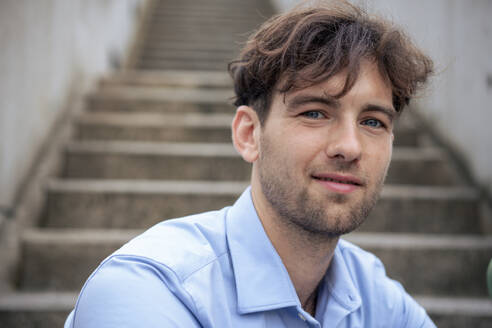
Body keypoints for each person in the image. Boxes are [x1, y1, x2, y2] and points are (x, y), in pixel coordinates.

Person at [65, 1, 435, 327]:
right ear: (248, 134)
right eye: (315, 113)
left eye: (373, 122)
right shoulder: (148, 289)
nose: (350, 147)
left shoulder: (381, 300)